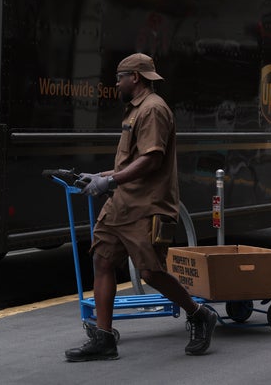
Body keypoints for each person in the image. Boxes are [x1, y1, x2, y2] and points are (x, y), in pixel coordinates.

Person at [64, 53, 217, 362]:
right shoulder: (135, 110)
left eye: (120, 76)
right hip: (120, 204)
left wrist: (109, 182)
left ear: (135, 77)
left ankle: (199, 314)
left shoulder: (154, 110)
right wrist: (101, 177)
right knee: (103, 261)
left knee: (151, 272)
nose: (115, 82)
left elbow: (151, 160)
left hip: (146, 206)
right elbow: (131, 161)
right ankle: (104, 339)